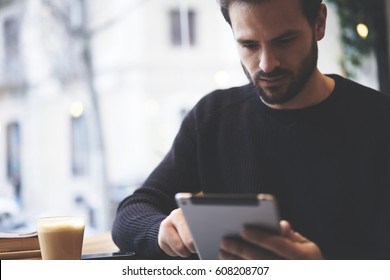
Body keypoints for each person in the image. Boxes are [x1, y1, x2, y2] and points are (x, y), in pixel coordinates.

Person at [112, 0, 390, 259]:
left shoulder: (378, 121)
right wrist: (162, 229)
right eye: (249, 45)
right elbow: (131, 213)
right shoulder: (212, 118)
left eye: (284, 40)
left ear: (318, 23)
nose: (267, 64)